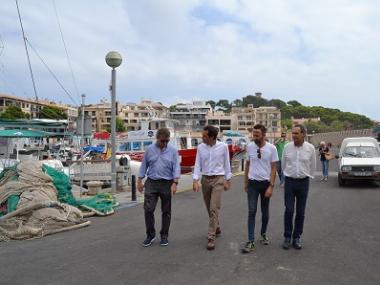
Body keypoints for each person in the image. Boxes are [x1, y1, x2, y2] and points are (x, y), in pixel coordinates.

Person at [137, 128, 181, 247]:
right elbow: (143, 166)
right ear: (157, 139)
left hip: (167, 182)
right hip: (151, 182)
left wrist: (175, 183)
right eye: (162, 141)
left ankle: (164, 235)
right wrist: (139, 181)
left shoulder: (172, 151)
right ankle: (150, 235)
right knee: (148, 209)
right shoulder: (149, 150)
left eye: (167, 141)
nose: (164, 143)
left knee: (166, 211)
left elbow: (176, 167)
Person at [193, 125, 232, 251]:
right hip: (205, 179)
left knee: (214, 207)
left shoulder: (223, 147)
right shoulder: (200, 147)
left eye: (204, 136)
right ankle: (217, 226)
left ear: (212, 137)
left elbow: (227, 163)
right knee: (208, 207)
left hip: (218, 179)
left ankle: (211, 237)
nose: (202, 138)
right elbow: (197, 163)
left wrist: (228, 179)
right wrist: (195, 180)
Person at [242, 124, 278, 253]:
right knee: (252, 211)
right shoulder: (250, 147)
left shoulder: (272, 149)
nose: (254, 136)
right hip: (252, 184)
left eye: (257, 134)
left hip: (265, 184)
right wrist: (245, 182)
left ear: (264, 135)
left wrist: (271, 186)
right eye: (253, 134)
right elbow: (247, 164)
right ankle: (250, 240)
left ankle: (263, 233)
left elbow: (274, 168)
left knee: (265, 212)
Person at [281, 124, 316, 250]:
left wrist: (308, 177)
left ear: (303, 134)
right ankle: (287, 237)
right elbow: (283, 164)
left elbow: (313, 166)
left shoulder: (310, 148)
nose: (294, 135)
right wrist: (284, 179)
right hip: (290, 182)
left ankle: (297, 237)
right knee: (289, 210)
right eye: (293, 133)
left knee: (301, 212)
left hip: (303, 183)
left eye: (296, 133)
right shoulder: (287, 147)